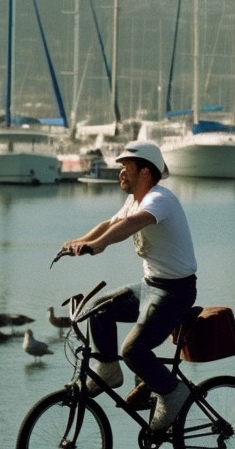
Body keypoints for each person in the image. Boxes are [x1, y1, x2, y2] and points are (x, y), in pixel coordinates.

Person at [60, 140, 197, 431]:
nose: (120, 173)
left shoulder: (159, 199)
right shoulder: (136, 199)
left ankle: (174, 393)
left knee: (133, 350)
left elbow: (130, 225)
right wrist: (81, 242)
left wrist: (97, 246)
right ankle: (108, 369)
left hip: (175, 292)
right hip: (150, 285)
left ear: (145, 172)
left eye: (126, 168)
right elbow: (111, 223)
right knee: (97, 309)